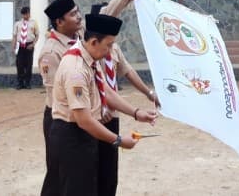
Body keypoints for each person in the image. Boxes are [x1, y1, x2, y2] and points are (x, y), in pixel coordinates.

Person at [38, 0, 146, 171]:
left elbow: (106, 14)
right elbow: (56, 96)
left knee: (93, 174)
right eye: (73, 14)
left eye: (78, 11)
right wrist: (97, 107)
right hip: (64, 119)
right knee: (59, 178)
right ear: (59, 22)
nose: (79, 17)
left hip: (89, 112)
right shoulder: (51, 53)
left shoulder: (80, 35)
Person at [41, 13, 157, 196]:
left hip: (84, 135)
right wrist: (118, 140)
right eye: (109, 45)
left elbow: (107, 91)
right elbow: (84, 120)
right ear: (94, 41)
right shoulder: (76, 69)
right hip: (71, 136)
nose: (110, 52)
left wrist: (136, 112)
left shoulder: (89, 59)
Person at [90, 2, 161, 196]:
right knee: (90, 171)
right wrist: (99, 106)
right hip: (93, 117)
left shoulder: (114, 48)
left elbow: (128, 71)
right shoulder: (87, 52)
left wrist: (149, 93)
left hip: (111, 114)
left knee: (109, 171)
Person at [13, 6, 39, 89]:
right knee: (19, 64)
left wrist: (33, 44)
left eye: (27, 14)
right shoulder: (17, 24)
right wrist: (13, 46)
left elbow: (37, 35)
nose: (25, 16)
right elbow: (14, 35)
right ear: (22, 15)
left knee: (29, 64)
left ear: (29, 13)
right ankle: (20, 83)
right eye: (24, 14)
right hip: (20, 45)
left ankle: (27, 83)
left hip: (29, 45)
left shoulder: (34, 23)